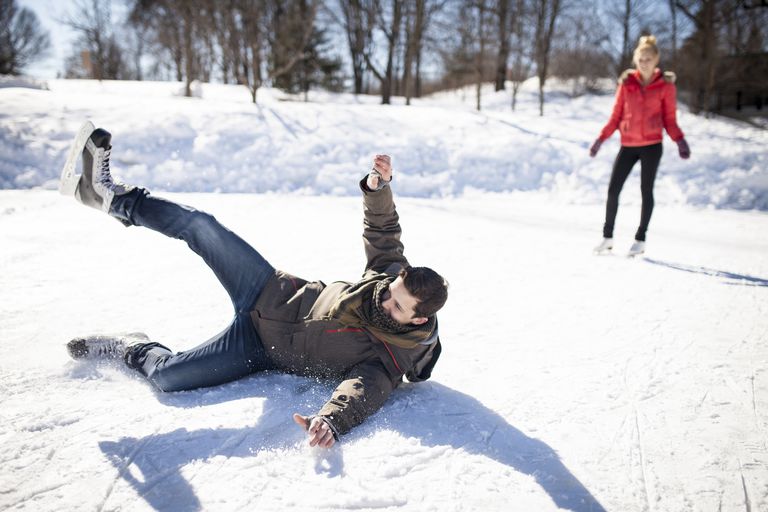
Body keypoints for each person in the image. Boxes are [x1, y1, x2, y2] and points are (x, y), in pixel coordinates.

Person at [61, 122, 448, 449]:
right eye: (391, 294)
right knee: (202, 227)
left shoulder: (389, 360)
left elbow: (361, 395)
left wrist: (331, 423)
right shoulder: (387, 279)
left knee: (168, 377)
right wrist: (378, 187)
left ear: (416, 321)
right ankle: (111, 197)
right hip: (267, 289)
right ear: (398, 278)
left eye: (398, 308)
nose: (385, 303)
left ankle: (129, 346)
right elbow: (383, 230)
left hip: (259, 347)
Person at [589, 35, 690, 257]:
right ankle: (607, 237)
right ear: (636, 59)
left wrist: (679, 140)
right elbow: (616, 115)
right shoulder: (627, 83)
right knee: (613, 190)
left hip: (652, 145)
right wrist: (600, 139)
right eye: (640, 58)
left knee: (646, 191)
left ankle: (640, 239)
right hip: (628, 145)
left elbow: (669, 119)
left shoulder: (665, 85)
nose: (644, 62)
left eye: (648, 58)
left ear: (656, 60)